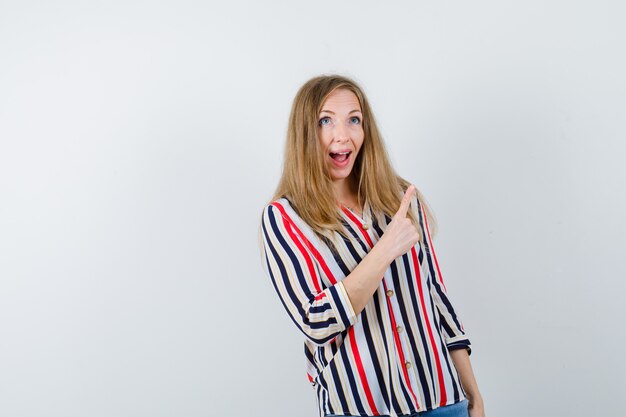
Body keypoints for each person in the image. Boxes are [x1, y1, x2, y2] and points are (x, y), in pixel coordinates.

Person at [258, 75, 485, 417]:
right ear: (305, 133)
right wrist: (385, 249)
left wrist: (473, 397)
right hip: (358, 407)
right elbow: (317, 322)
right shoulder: (284, 219)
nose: (343, 135)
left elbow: (437, 301)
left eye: (354, 119)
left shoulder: (400, 198)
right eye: (325, 121)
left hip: (441, 401)